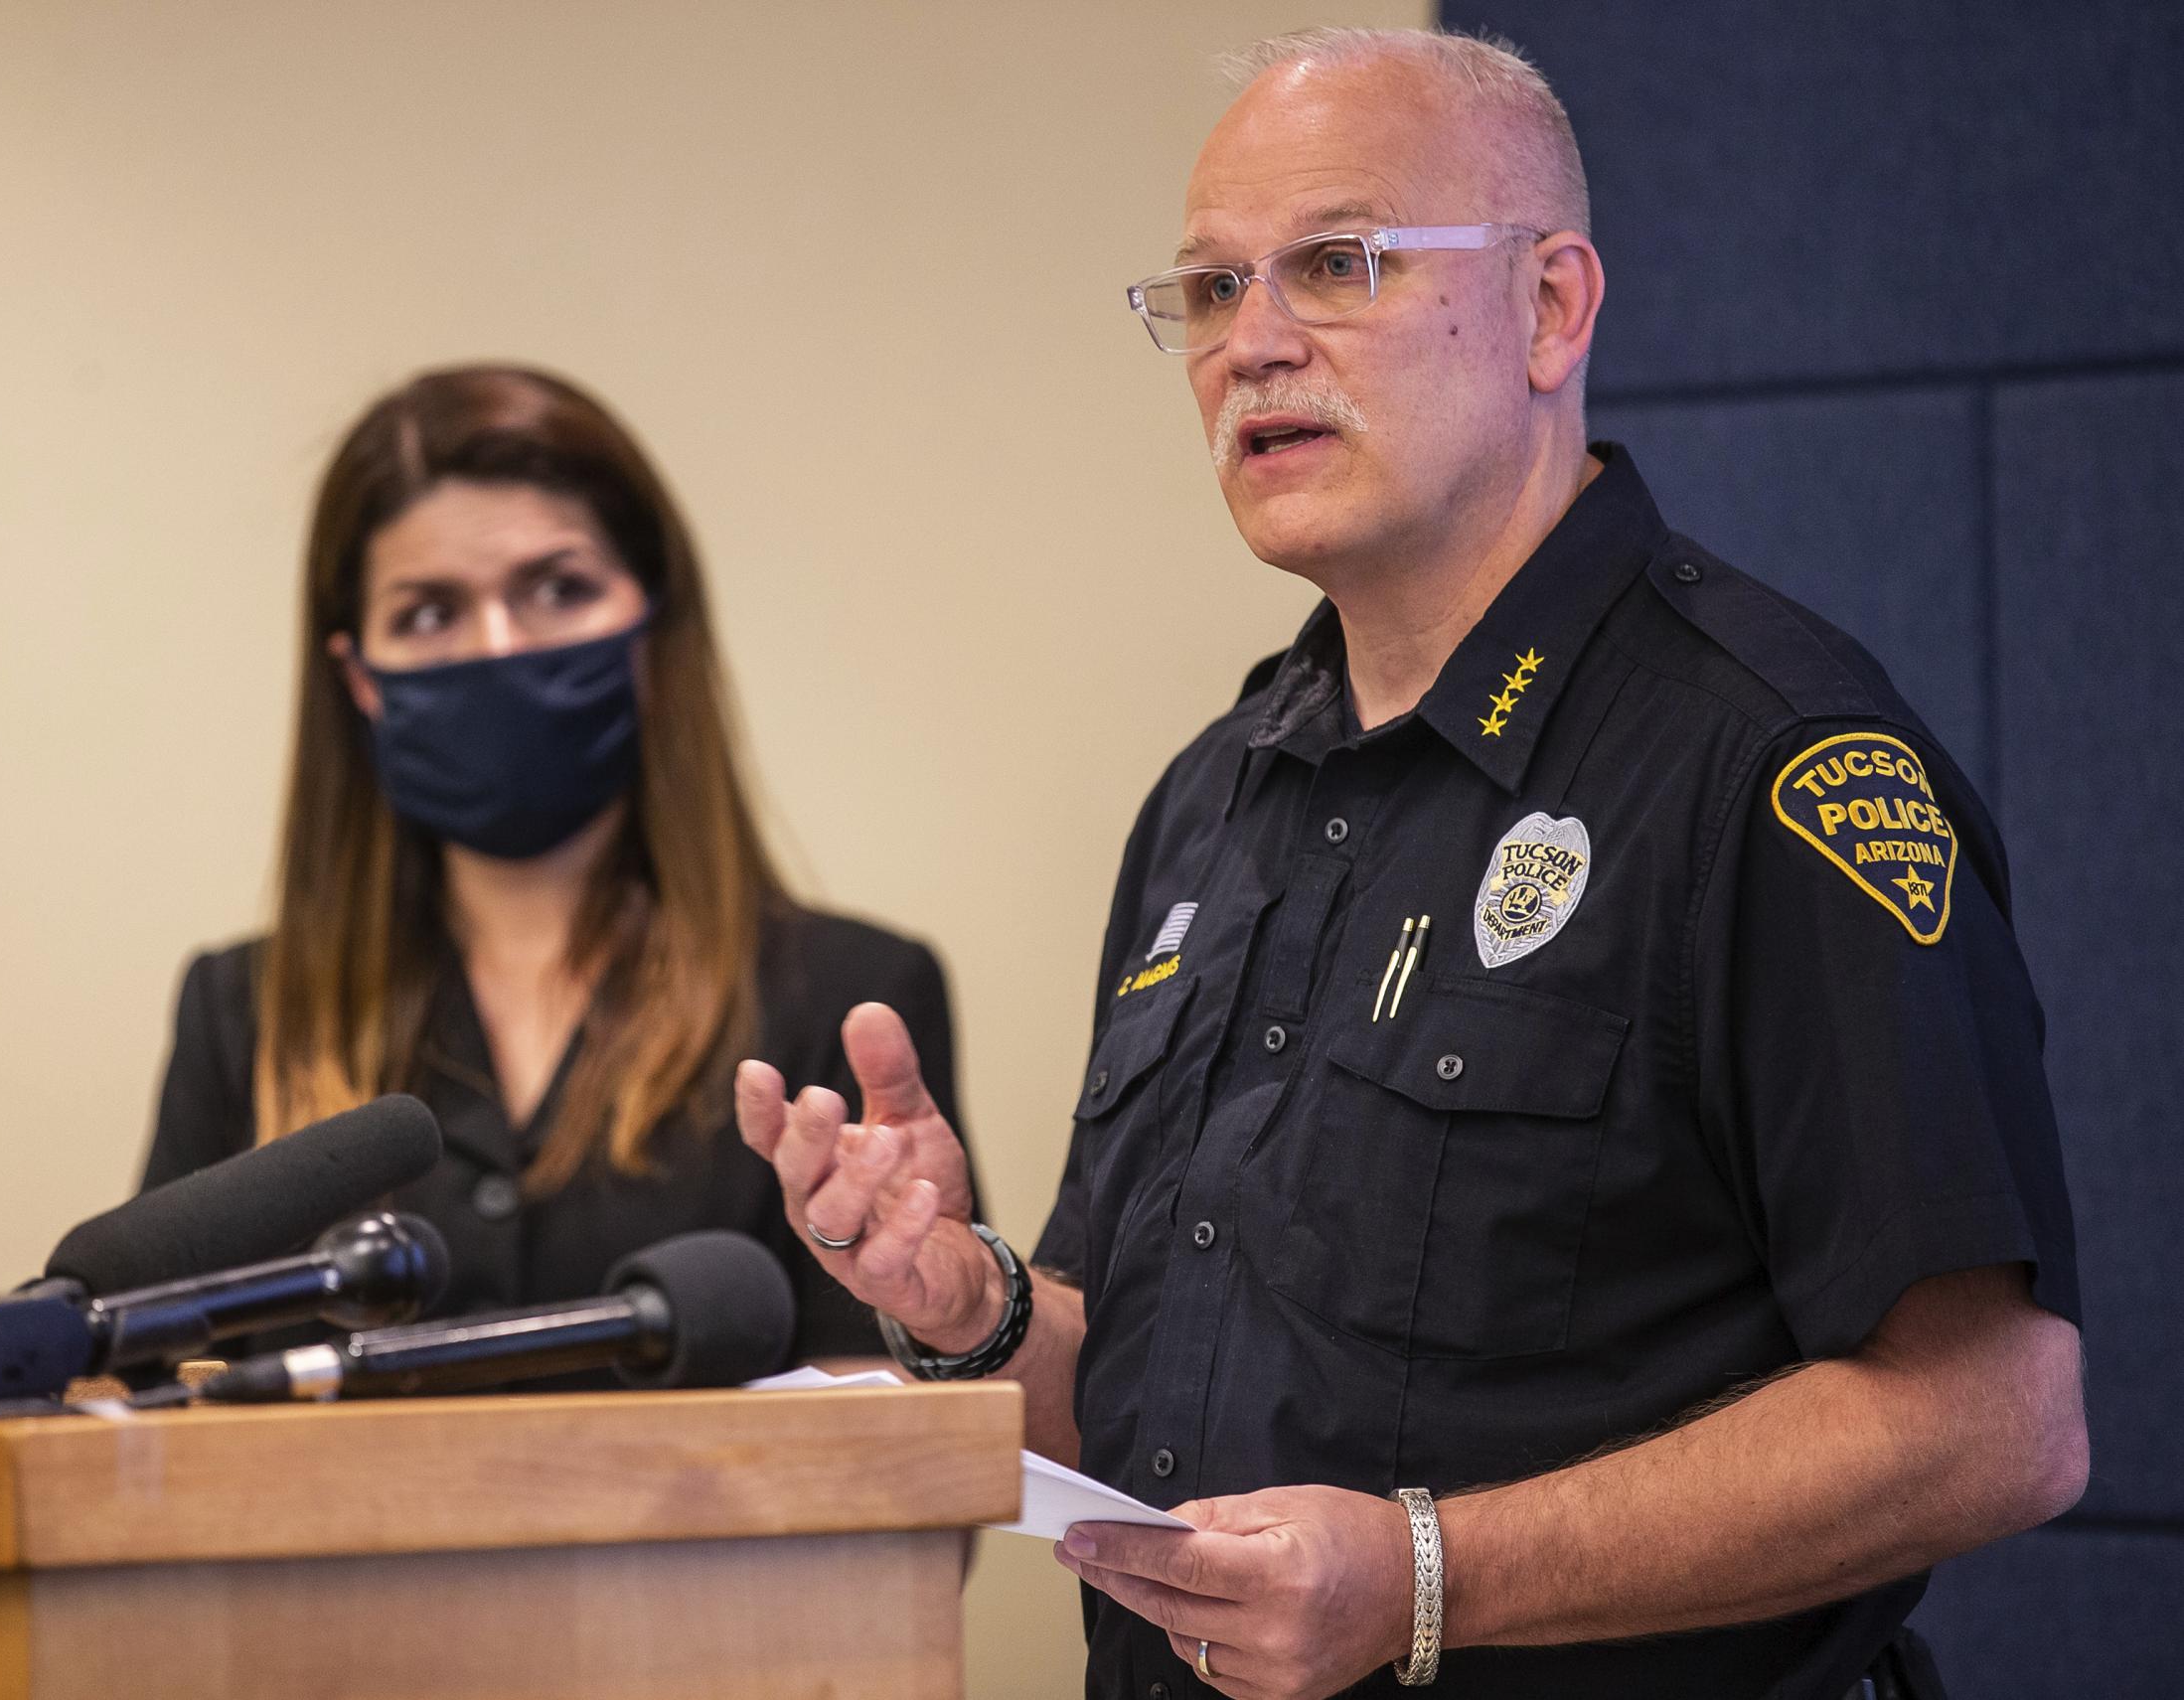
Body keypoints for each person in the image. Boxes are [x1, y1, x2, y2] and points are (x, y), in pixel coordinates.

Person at [736, 28, 2084, 1699]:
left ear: (1550, 307)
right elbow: (1168, 1400)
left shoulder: (1767, 761)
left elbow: (1994, 1424)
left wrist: (1431, 1579)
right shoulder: (1211, 800)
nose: (1254, 345)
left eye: (1338, 264)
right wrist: (977, 1309)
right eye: (1211, 290)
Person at [146, 364, 969, 1362]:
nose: (498, 648)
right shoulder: (242, 1014)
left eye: (556, 589)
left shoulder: (848, 998)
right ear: (359, 677)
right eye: (427, 613)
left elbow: (911, 1433)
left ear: (650, 629)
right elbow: (149, 1413)